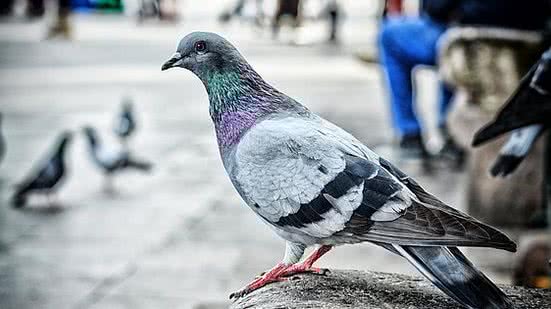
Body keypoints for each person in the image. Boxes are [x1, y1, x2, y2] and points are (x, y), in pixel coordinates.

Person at [378, 0, 550, 163]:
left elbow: (437, 9)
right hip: (530, 46)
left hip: (470, 45)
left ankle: (410, 135)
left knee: (389, 35)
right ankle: (447, 133)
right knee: (450, 32)